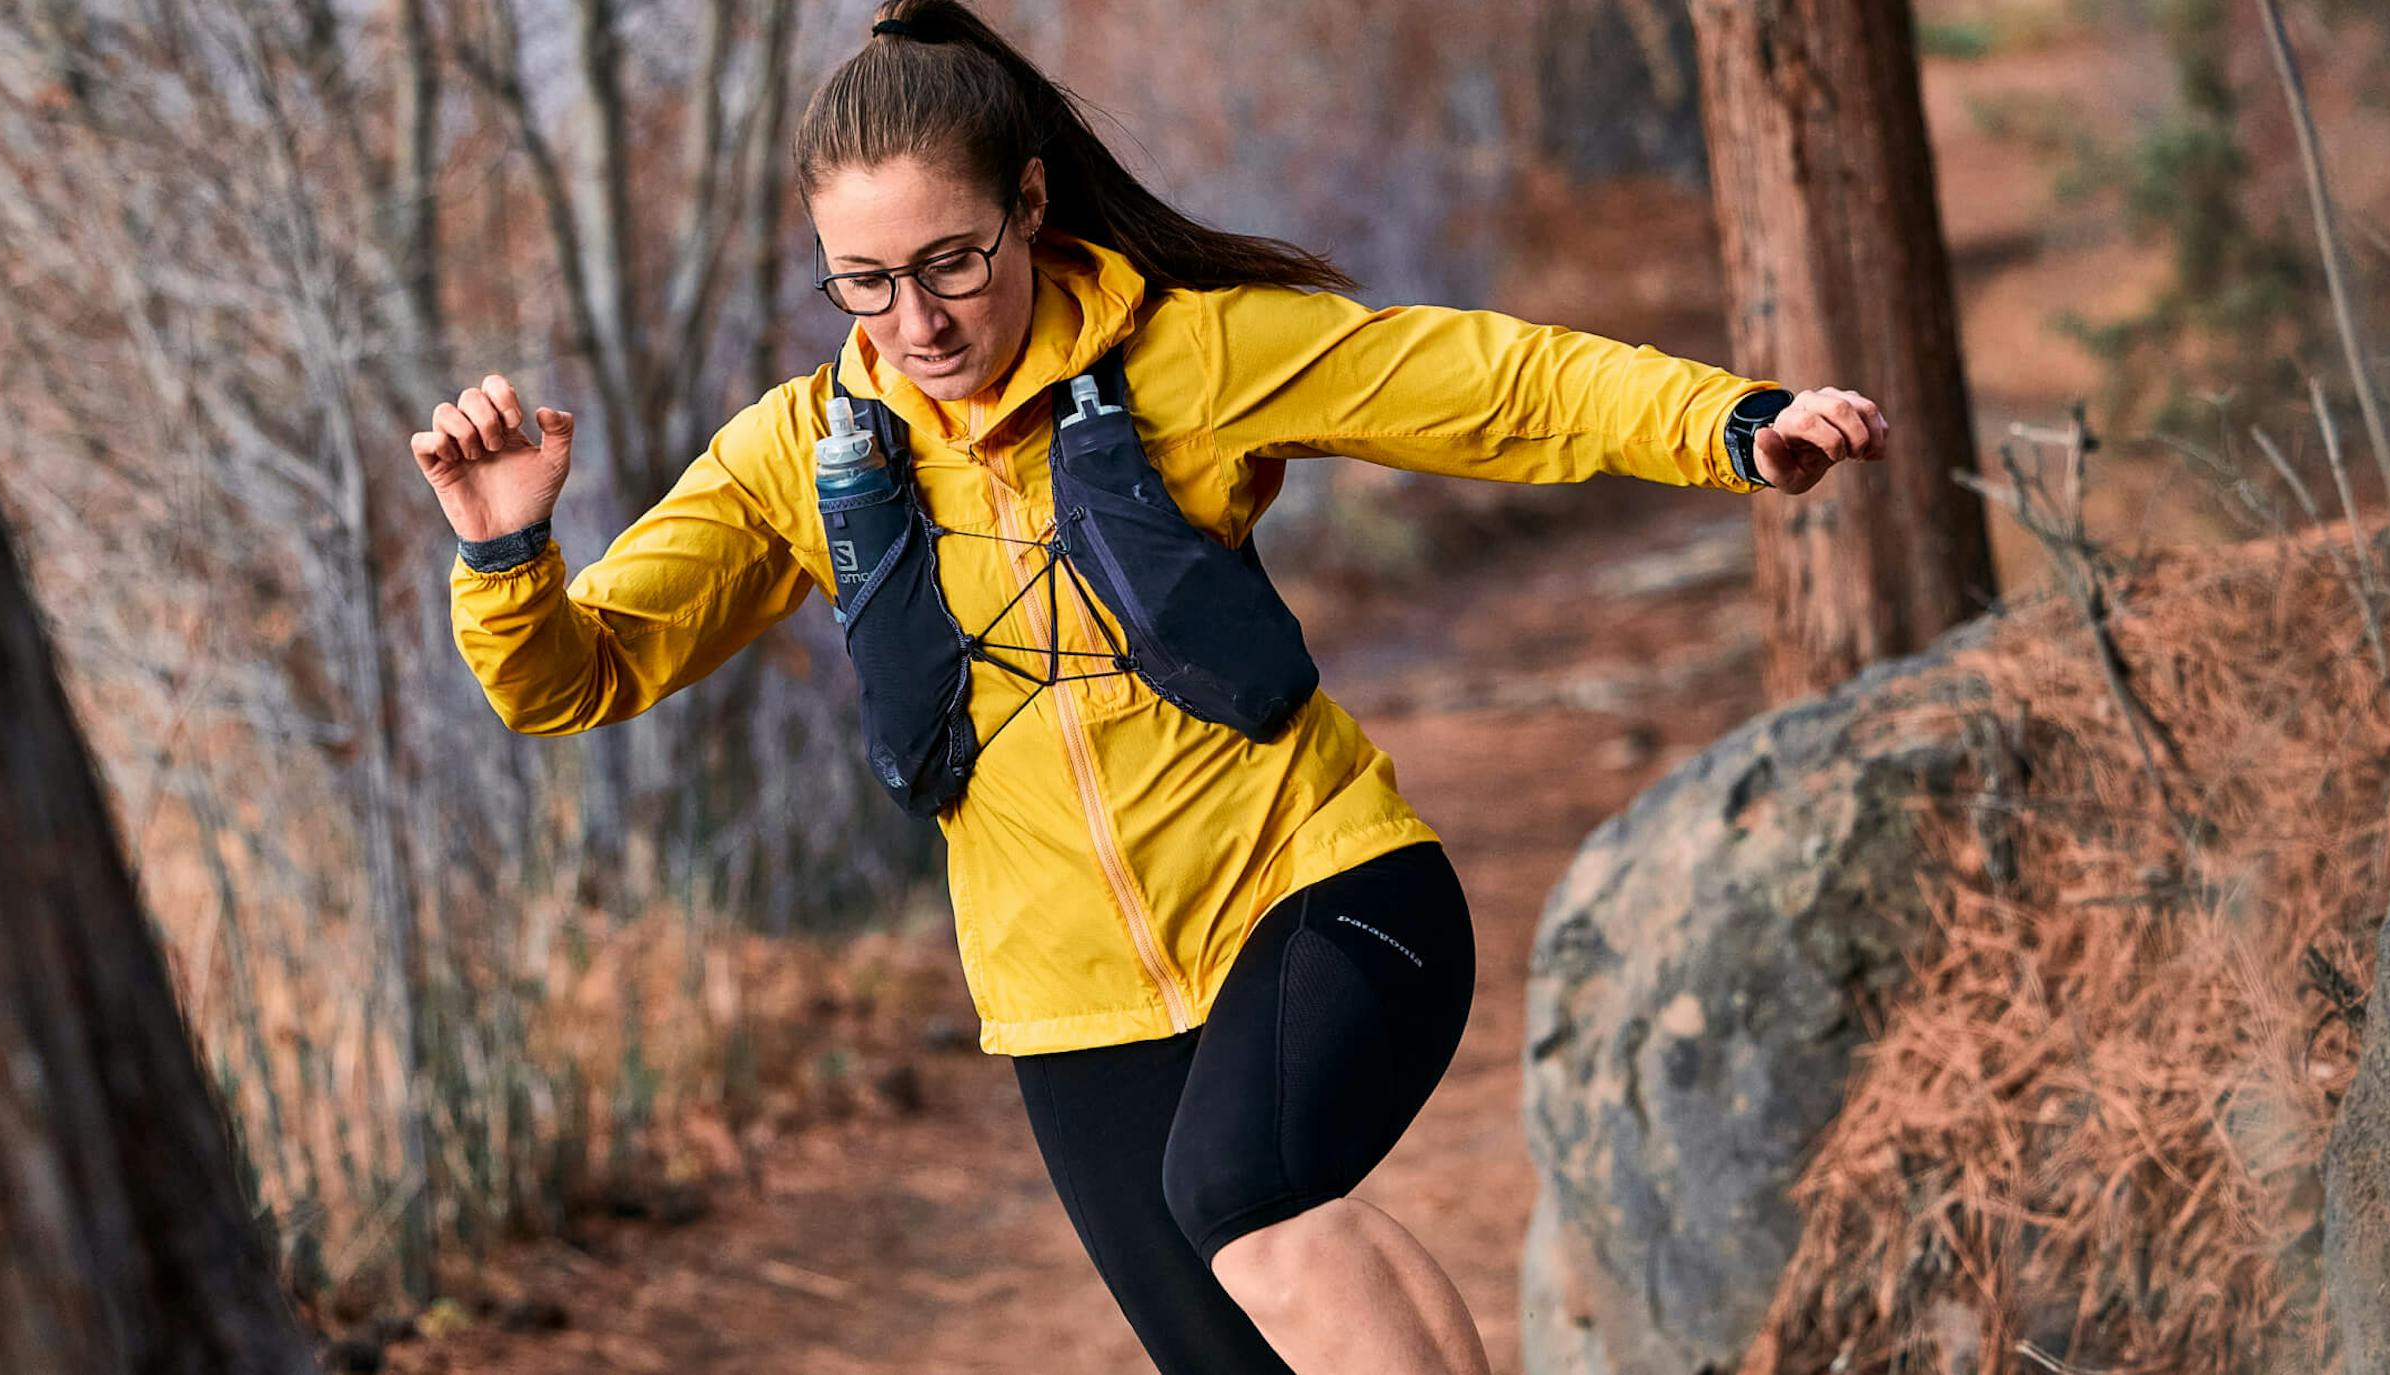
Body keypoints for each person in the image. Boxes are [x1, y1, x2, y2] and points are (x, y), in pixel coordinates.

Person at [411, 4, 1888, 1370]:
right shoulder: (796, 455)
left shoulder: (1189, 355)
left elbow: (1494, 384)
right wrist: (506, 550)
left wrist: (1732, 421)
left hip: (1320, 889)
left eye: (951, 264)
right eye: (862, 282)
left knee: (1245, 1188)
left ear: (1030, 209)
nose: (914, 322)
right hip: (1072, 1013)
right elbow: (573, 681)